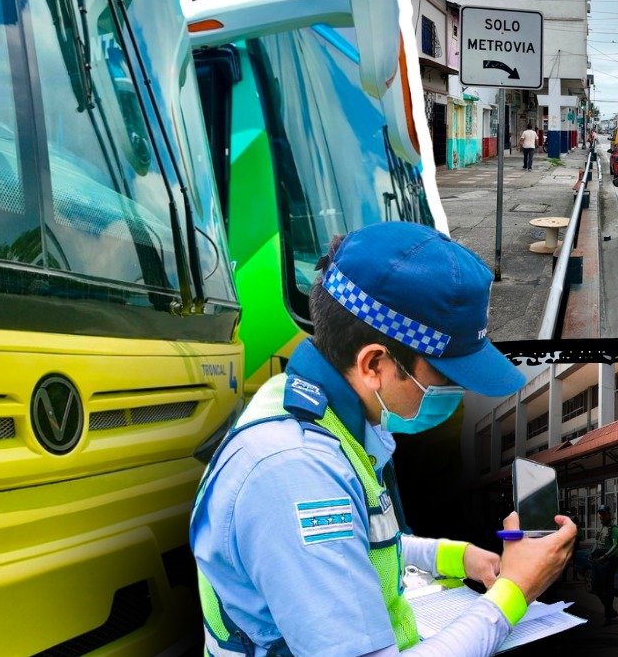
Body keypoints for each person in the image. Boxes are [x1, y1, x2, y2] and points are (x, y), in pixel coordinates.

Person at [191, 221, 576, 657]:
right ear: (374, 363)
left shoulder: (323, 413)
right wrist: (514, 592)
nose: (458, 393)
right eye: (446, 376)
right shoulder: (294, 473)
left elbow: (360, 543)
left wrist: (460, 556)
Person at [589, 505, 618, 625]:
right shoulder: (600, 527)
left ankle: (608, 616)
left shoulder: (614, 529)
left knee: (607, 589)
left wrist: (606, 556)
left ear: (609, 514)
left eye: (603, 513)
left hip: (608, 560)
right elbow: (596, 542)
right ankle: (611, 610)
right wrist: (592, 553)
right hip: (597, 559)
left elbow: (616, 546)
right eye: (600, 513)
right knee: (595, 588)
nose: (601, 516)